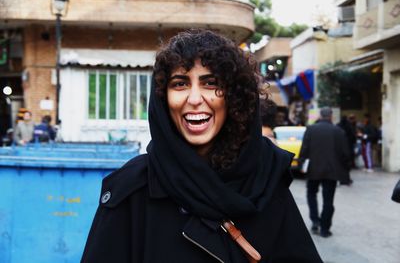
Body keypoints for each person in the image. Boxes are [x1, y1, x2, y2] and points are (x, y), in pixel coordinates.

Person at [81, 29, 322, 263]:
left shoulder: (265, 179)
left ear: (235, 97)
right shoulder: (132, 189)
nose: (195, 99)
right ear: (162, 98)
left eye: (210, 83)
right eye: (180, 84)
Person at [299, 107, 350, 238]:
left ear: (320, 115)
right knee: (328, 201)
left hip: (313, 170)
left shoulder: (311, 129)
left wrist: (301, 165)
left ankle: (315, 221)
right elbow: (345, 154)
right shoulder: (338, 131)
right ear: (331, 116)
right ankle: (325, 229)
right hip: (332, 172)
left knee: (311, 194)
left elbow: (304, 150)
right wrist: (345, 172)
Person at [337, 115, 355, 185]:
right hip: (348, 147)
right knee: (347, 164)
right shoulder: (349, 126)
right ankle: (346, 179)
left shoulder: (338, 126)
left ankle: (341, 178)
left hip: (340, 148)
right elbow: (353, 137)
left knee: (340, 164)